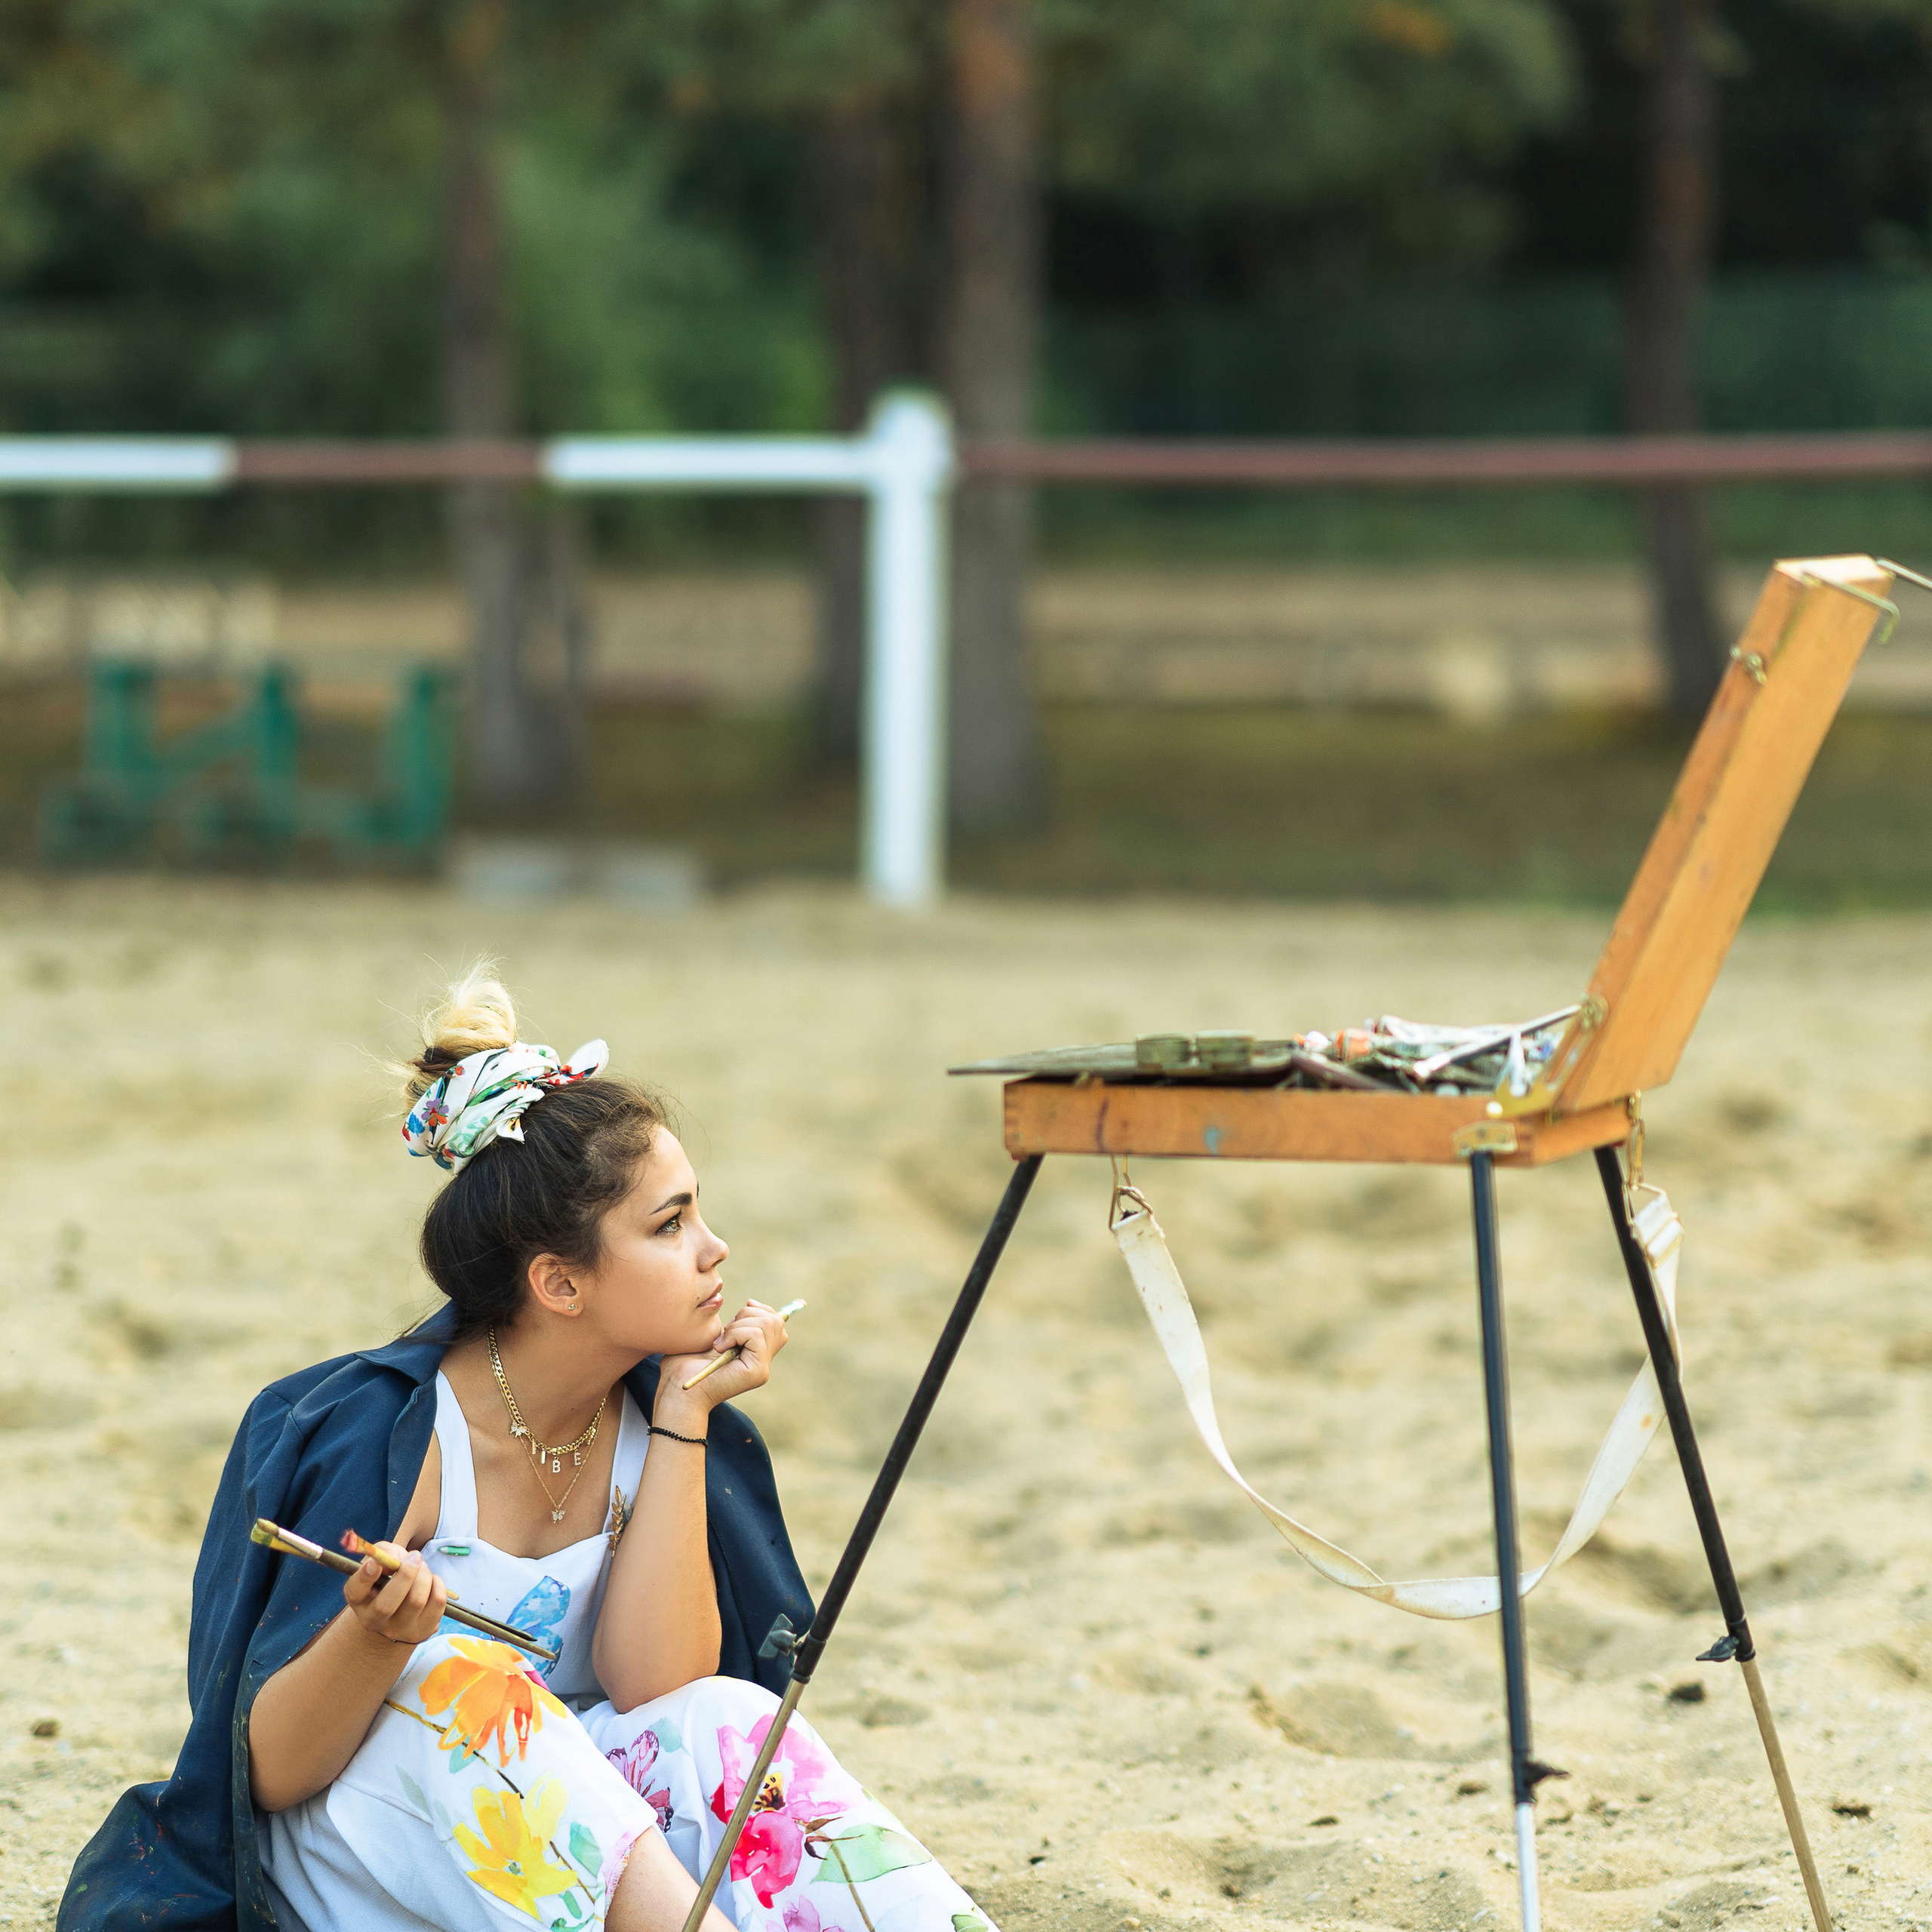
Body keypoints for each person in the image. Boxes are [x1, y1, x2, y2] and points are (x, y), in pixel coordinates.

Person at [60, 971, 995, 1932]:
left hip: (566, 1841)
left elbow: (660, 1692)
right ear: (559, 1282)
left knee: (733, 1721)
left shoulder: (659, 1416)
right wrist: (377, 1636)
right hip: (365, 1843)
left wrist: (682, 1416)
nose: (716, 1250)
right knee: (465, 1685)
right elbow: (268, 1773)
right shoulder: (388, 1430)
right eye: (670, 1225)